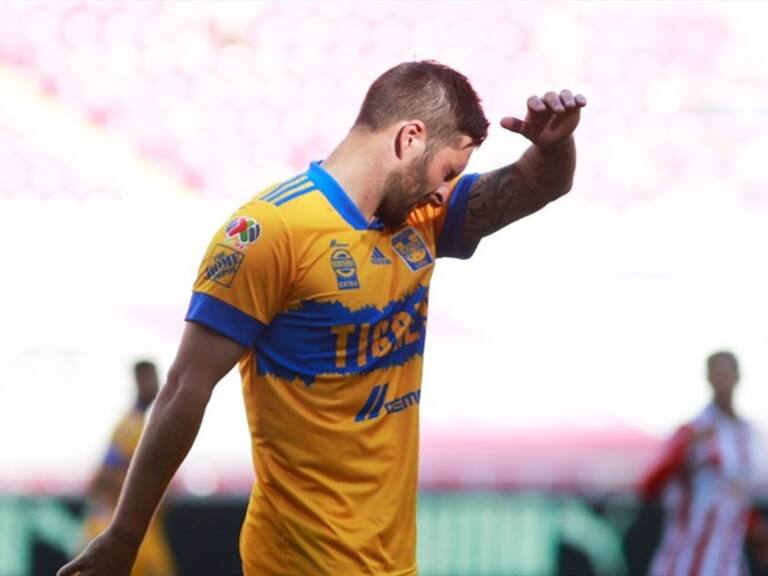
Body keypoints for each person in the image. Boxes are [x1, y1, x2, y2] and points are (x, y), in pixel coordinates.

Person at [59, 60, 586, 576]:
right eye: (448, 172)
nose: (445, 190)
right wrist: (126, 534)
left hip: (391, 563)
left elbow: (537, 185)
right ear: (409, 139)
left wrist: (554, 144)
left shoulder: (422, 220)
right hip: (296, 561)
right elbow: (183, 389)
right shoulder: (270, 232)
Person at [641, 351, 768, 576]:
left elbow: (733, 499)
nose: (724, 378)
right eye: (718, 373)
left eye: (728, 372)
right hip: (685, 561)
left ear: (738, 377)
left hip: (727, 562)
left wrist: (756, 530)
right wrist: (681, 451)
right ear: (708, 378)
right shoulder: (691, 432)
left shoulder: (748, 436)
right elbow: (648, 487)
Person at [77, 360, 175, 576]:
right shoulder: (130, 428)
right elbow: (100, 479)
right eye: (150, 378)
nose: (157, 384)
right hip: (125, 527)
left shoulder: (146, 424)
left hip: (141, 527)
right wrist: (144, 493)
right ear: (139, 381)